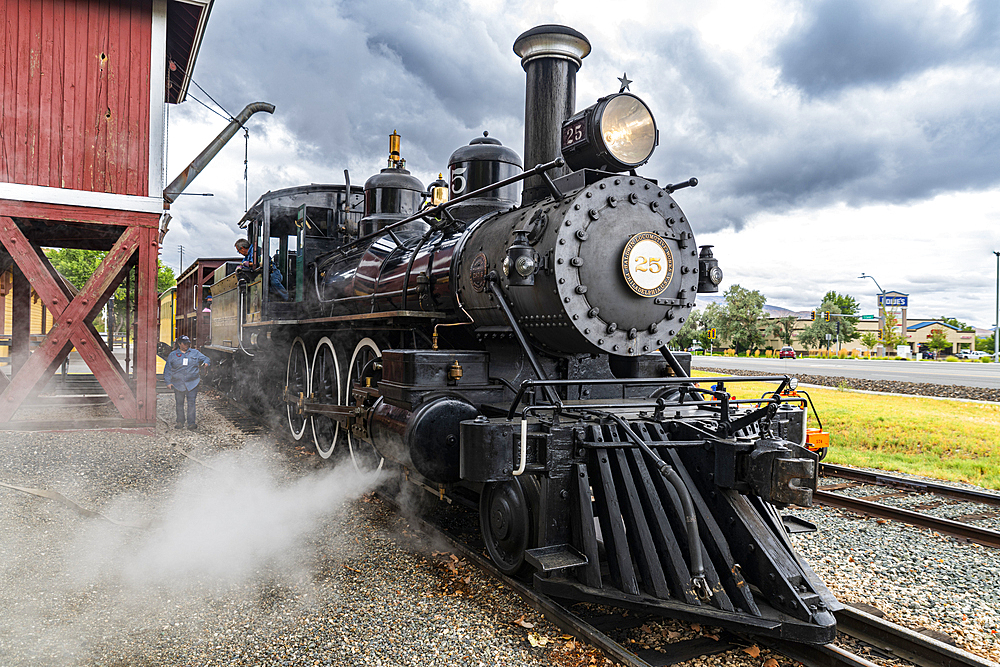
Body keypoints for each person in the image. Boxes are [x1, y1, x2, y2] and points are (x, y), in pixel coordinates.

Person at [163, 335, 211, 430]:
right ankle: (180, 422)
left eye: (188, 344)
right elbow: (167, 369)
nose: (186, 345)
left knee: (191, 403)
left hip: (192, 383)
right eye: (184, 344)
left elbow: (207, 359)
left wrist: (206, 363)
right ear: (179, 344)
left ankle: (191, 423)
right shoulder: (173, 355)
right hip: (178, 384)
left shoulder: (195, 353)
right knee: (179, 403)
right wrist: (168, 382)